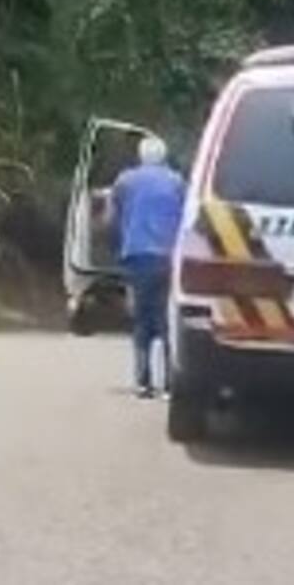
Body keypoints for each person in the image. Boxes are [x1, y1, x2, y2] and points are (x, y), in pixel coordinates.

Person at [107, 135, 186, 399]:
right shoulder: (177, 181)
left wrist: (116, 241)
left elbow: (111, 214)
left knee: (141, 319)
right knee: (165, 320)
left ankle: (143, 382)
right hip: (168, 257)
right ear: (163, 156)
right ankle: (169, 384)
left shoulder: (125, 181)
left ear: (140, 156)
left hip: (137, 255)